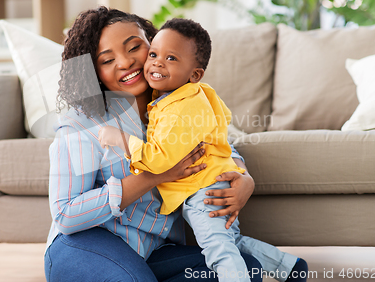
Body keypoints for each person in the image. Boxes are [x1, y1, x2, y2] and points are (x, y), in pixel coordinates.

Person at [46, 6, 262, 282]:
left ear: (153, 43)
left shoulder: (179, 102)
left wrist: (244, 178)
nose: (125, 63)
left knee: (248, 270)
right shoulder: (81, 122)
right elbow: (66, 215)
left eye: (134, 47)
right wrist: (155, 174)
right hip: (85, 245)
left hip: (151, 251)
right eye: (107, 60)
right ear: (94, 71)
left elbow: (217, 143)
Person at [98, 18, 308, 282]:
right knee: (229, 241)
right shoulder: (188, 95)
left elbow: (160, 159)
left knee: (219, 251)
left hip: (202, 191)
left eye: (171, 58)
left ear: (194, 74)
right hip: (212, 183)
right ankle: (288, 267)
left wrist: (121, 139)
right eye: (154, 54)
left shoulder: (179, 108)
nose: (157, 63)